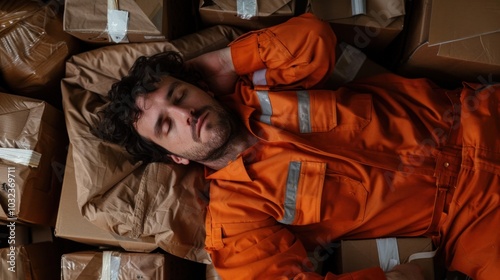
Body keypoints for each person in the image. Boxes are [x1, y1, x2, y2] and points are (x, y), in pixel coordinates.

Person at [94, 13, 500, 280]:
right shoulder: (235, 218)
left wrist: (223, 63)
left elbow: (315, 37)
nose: (185, 114)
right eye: (166, 124)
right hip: (472, 218)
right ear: (176, 157)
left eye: (179, 95)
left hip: (476, 117)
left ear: (199, 88)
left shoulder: (262, 85)